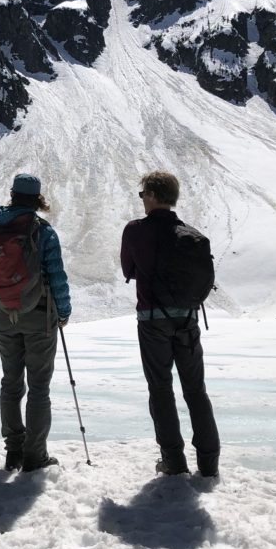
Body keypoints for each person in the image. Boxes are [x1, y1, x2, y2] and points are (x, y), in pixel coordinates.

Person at [120, 171, 220, 477]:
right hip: (187, 320)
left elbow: (128, 268)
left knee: (161, 389)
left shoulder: (136, 230)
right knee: (195, 390)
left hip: (152, 322)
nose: (142, 200)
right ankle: (209, 461)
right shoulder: (190, 234)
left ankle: (173, 462)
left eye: (142, 195)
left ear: (151, 195)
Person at [0, 173, 71, 472]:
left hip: (5, 315)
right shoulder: (43, 231)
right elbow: (57, 277)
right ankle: (35, 456)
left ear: (12, 195)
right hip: (39, 316)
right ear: (38, 198)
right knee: (38, 387)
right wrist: (63, 312)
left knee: (10, 383)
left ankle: (13, 451)